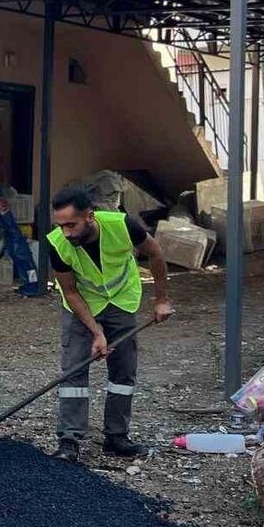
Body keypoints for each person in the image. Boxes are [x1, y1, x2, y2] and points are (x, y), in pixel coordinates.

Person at [46, 186, 174, 463]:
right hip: (83, 306)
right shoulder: (57, 244)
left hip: (121, 301)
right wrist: (96, 332)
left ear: (90, 216)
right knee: (74, 372)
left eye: (72, 224)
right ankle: (69, 440)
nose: (66, 232)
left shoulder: (122, 225)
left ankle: (117, 437)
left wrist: (161, 299)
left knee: (123, 372)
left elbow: (155, 253)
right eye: (61, 225)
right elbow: (70, 291)